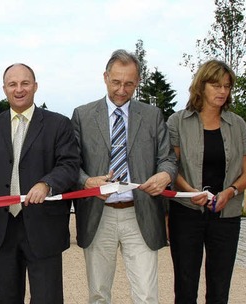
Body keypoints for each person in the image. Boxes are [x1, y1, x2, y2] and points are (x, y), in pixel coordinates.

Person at [71, 49, 176, 303]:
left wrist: (164, 175)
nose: (121, 90)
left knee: (147, 295)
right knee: (98, 294)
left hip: (140, 213)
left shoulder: (152, 116)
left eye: (129, 83)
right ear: (105, 77)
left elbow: (168, 159)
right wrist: (87, 181)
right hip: (98, 214)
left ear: (138, 81)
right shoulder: (83, 116)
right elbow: (70, 164)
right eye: (116, 82)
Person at [0, 63, 79, 303]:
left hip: (44, 228)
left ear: (35, 86)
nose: (19, 89)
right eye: (13, 84)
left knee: (47, 298)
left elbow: (69, 165)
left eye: (25, 83)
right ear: (4, 89)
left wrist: (46, 184)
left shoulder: (58, 124)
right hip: (2, 228)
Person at [166, 60, 246, 303]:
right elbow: (170, 167)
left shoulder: (238, 125)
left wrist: (230, 192)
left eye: (227, 86)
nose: (222, 91)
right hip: (186, 212)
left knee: (219, 286)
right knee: (185, 285)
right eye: (216, 85)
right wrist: (189, 191)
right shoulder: (177, 122)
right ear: (201, 86)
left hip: (226, 216)